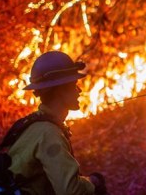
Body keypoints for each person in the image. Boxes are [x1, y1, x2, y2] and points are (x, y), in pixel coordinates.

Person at [8, 51, 107, 194]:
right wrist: (93, 182)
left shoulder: (32, 125)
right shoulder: (49, 133)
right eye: (74, 85)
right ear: (60, 90)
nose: (79, 90)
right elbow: (70, 191)